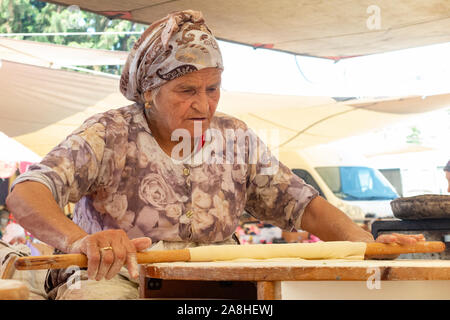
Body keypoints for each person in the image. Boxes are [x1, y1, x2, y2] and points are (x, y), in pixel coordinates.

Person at [5, 10, 424, 300]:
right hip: (117, 277)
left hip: (219, 278)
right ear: (149, 94)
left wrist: (363, 244)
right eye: (186, 91)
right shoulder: (108, 134)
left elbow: (302, 205)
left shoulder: (233, 137)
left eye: (212, 88)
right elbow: (26, 193)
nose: (204, 105)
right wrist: (80, 239)